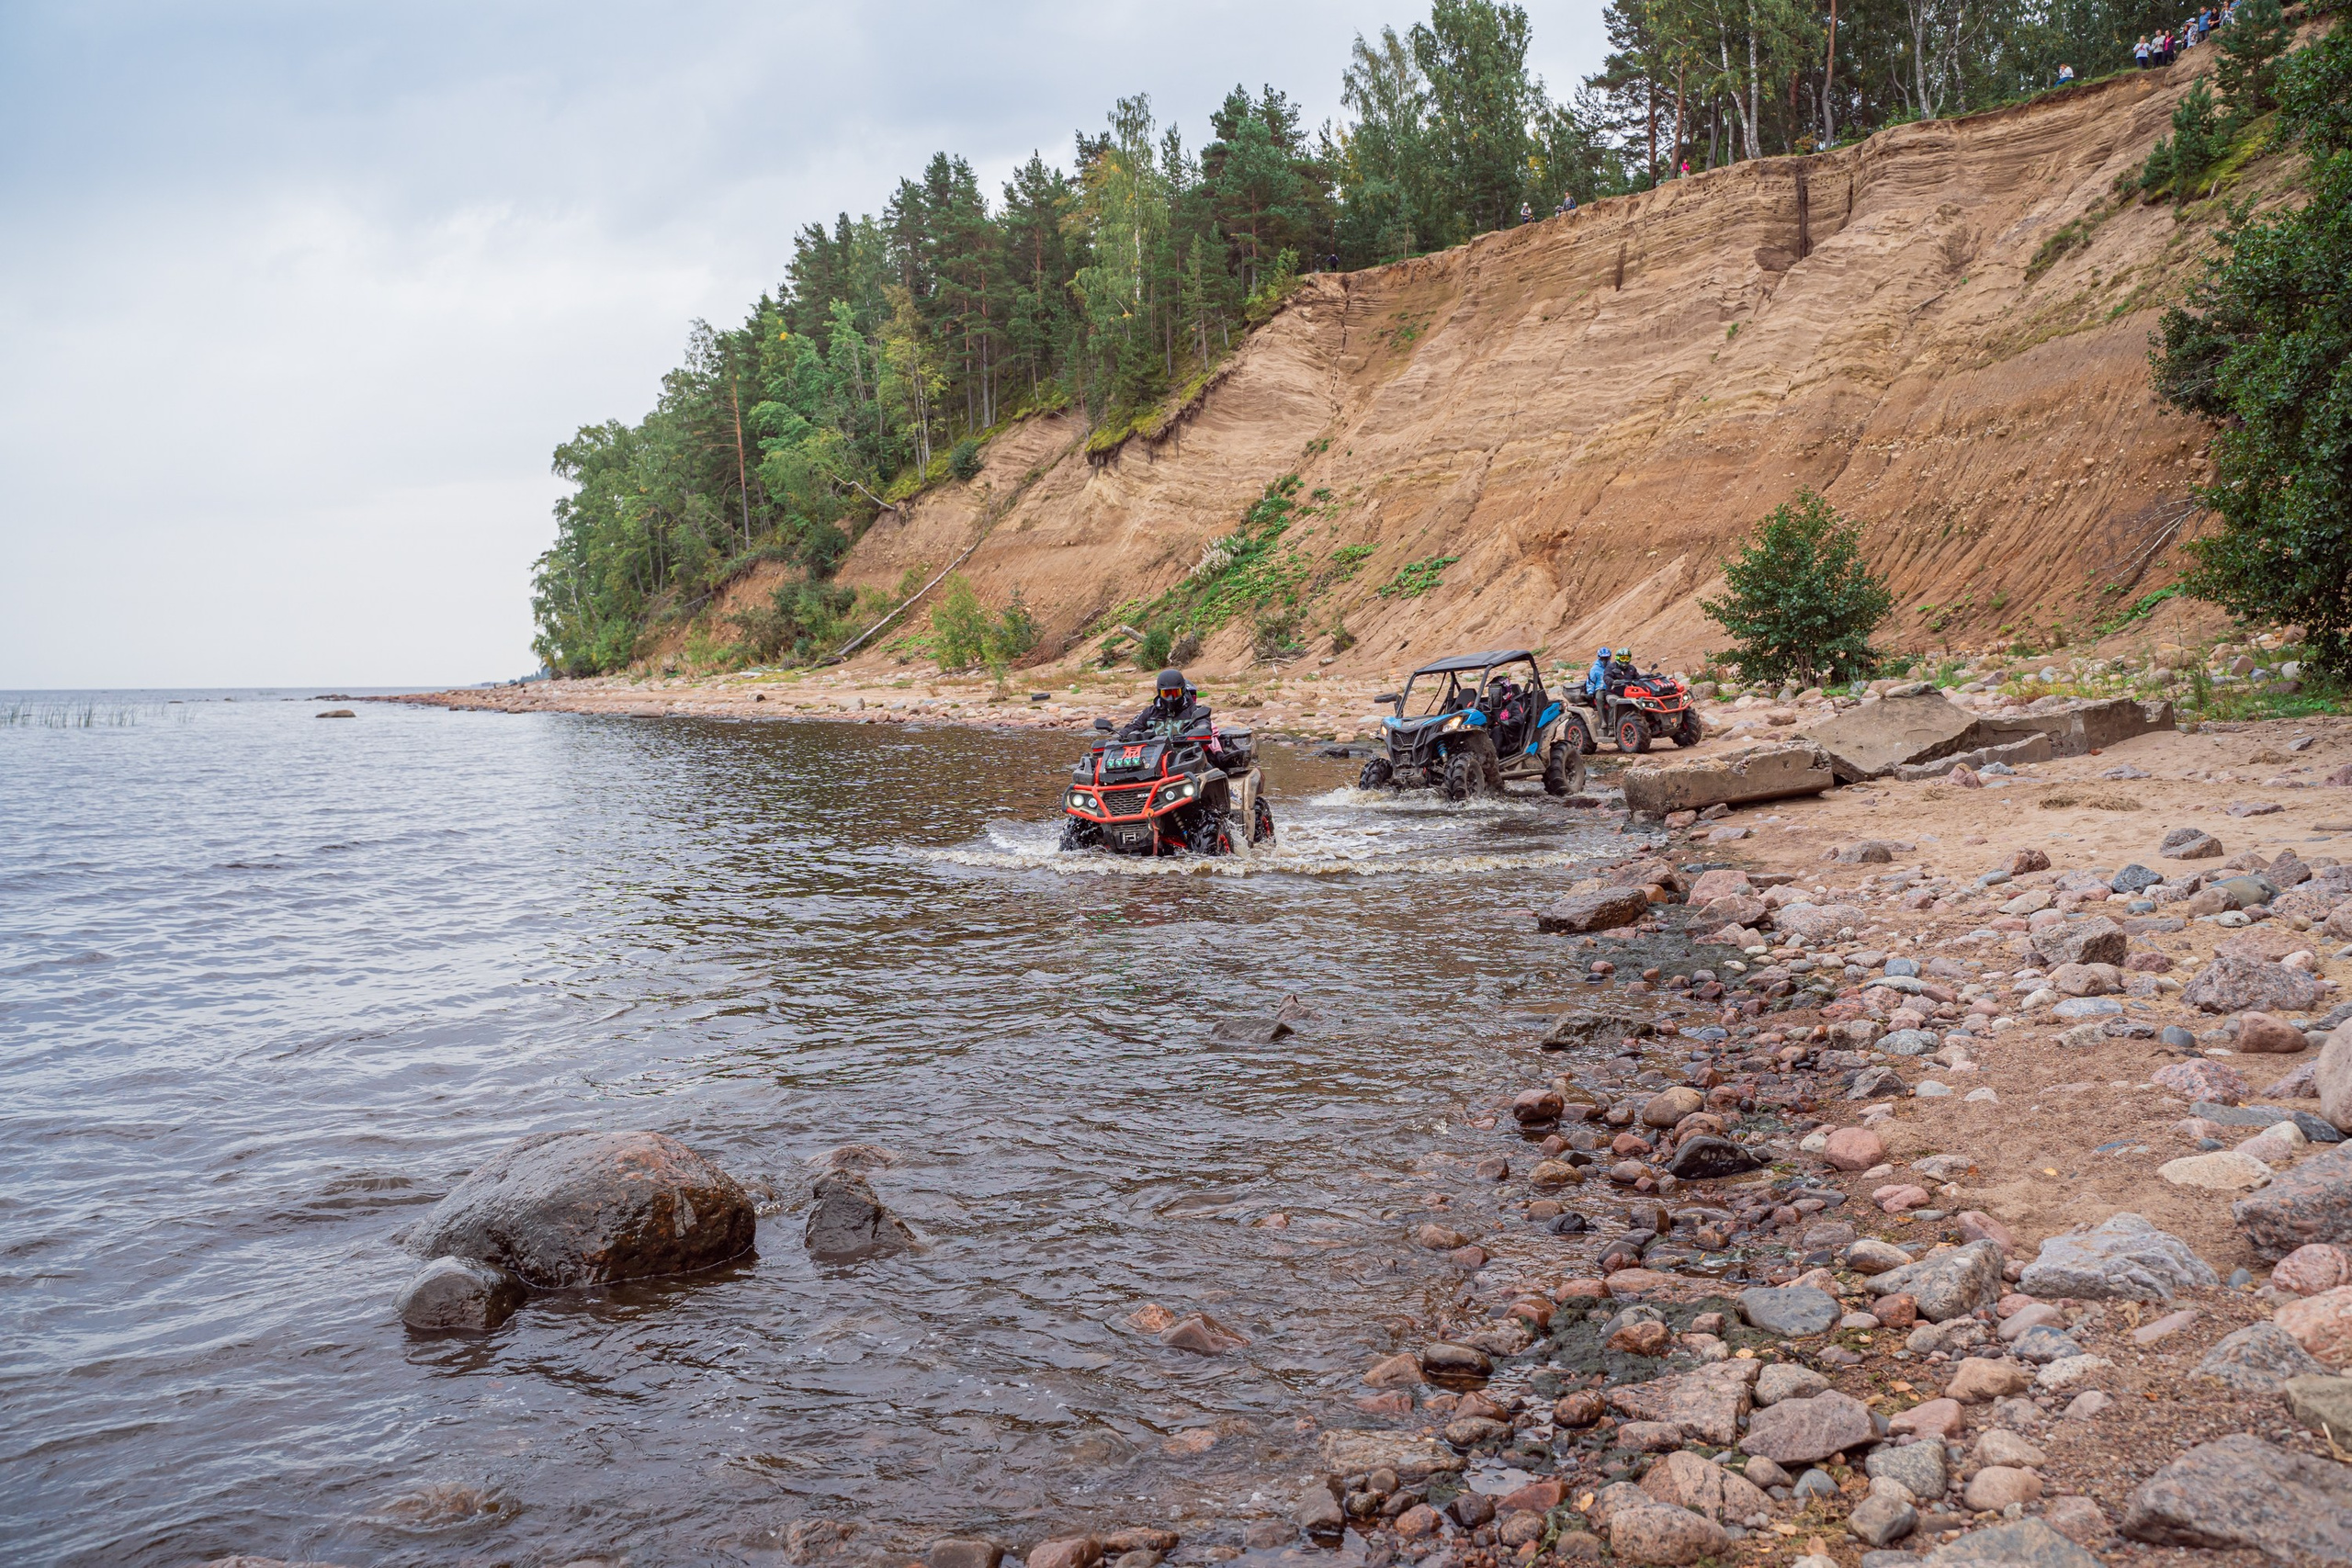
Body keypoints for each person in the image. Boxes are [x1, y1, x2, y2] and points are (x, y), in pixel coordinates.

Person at [1121, 668, 1206, 738]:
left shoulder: (1195, 711)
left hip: (1187, 755)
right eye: (1166, 693)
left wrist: (1199, 730)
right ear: (1159, 693)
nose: (1171, 698)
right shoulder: (1149, 713)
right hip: (1155, 756)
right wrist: (1118, 736)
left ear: (1183, 691)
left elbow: (1204, 725)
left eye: (1175, 693)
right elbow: (1130, 728)